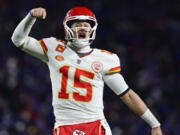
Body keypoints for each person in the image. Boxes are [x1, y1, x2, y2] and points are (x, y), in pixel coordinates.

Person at [11, 7, 163, 135]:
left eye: (86, 24)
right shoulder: (53, 48)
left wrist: (154, 123)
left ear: (93, 29)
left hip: (95, 125)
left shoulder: (104, 59)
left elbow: (127, 95)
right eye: (77, 24)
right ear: (68, 28)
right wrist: (31, 16)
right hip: (64, 126)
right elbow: (18, 40)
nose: (83, 27)